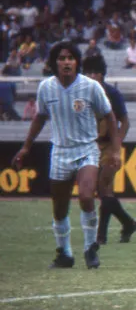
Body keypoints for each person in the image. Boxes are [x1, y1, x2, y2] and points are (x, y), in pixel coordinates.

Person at [12, 41, 120, 269]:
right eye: (62, 58)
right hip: (60, 151)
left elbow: (110, 116)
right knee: (59, 207)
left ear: (77, 62)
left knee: (86, 196)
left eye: (71, 58)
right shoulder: (46, 88)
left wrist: (116, 150)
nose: (66, 62)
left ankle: (90, 249)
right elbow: (40, 117)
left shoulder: (90, 87)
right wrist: (26, 147)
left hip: (86, 149)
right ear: (54, 63)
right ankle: (65, 254)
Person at [82, 55, 136, 246]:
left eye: (94, 72)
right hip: (91, 145)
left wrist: (116, 146)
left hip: (108, 145)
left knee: (102, 186)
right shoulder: (83, 93)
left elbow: (126, 122)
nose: (91, 75)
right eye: (87, 72)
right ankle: (126, 224)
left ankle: (102, 235)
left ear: (102, 74)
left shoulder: (111, 93)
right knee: (104, 190)